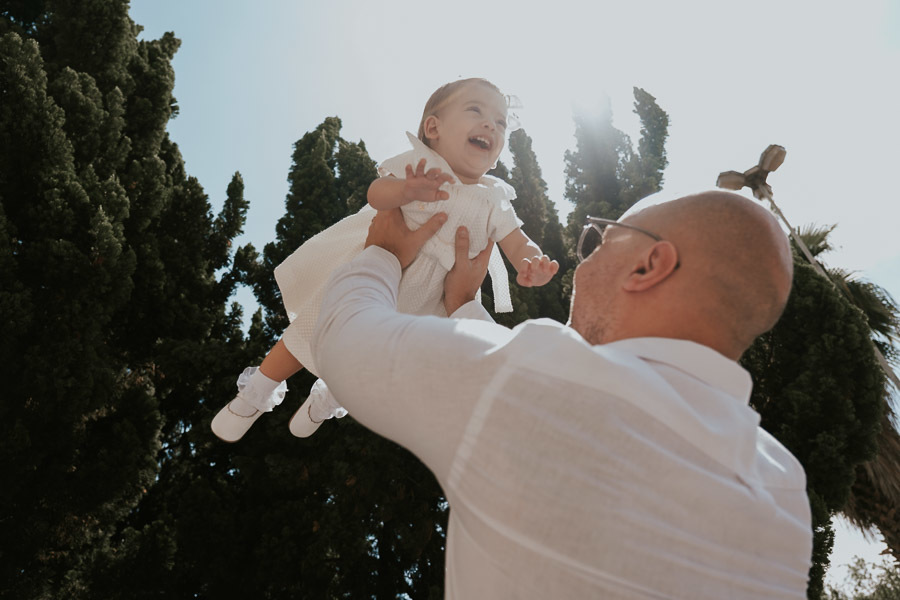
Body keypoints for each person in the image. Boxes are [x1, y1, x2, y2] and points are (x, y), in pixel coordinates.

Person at [310, 190, 813, 598]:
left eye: (598, 241)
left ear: (648, 265)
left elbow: (341, 335)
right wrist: (462, 305)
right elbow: (553, 403)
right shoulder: (787, 493)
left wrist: (383, 253)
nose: (582, 264)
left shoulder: (536, 383)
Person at [211, 78, 559, 442]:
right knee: (311, 328)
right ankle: (256, 393)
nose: (491, 125)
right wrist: (405, 190)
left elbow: (517, 241)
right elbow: (376, 194)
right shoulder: (421, 165)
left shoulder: (496, 199)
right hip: (375, 264)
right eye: (476, 110)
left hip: (429, 299)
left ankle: (326, 400)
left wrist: (531, 261)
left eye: (501, 122)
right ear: (433, 128)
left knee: (373, 358)